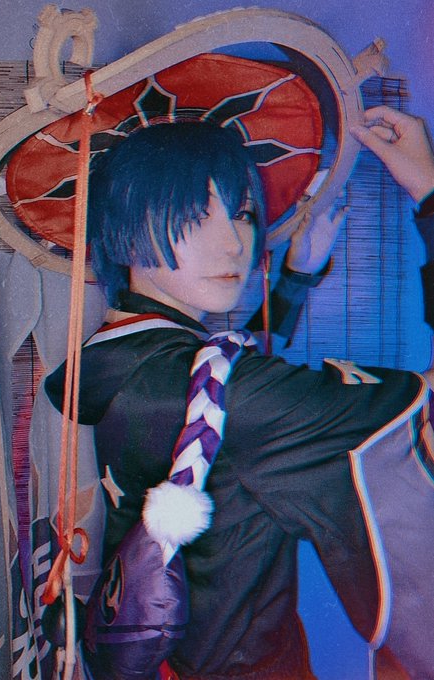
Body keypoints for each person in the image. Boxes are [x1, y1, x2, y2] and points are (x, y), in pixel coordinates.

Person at [45, 107, 434, 679]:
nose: (232, 243)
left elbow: (220, 384)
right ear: (124, 230)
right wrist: (429, 194)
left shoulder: (109, 357)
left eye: (243, 214)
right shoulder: (229, 391)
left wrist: (295, 278)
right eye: (194, 215)